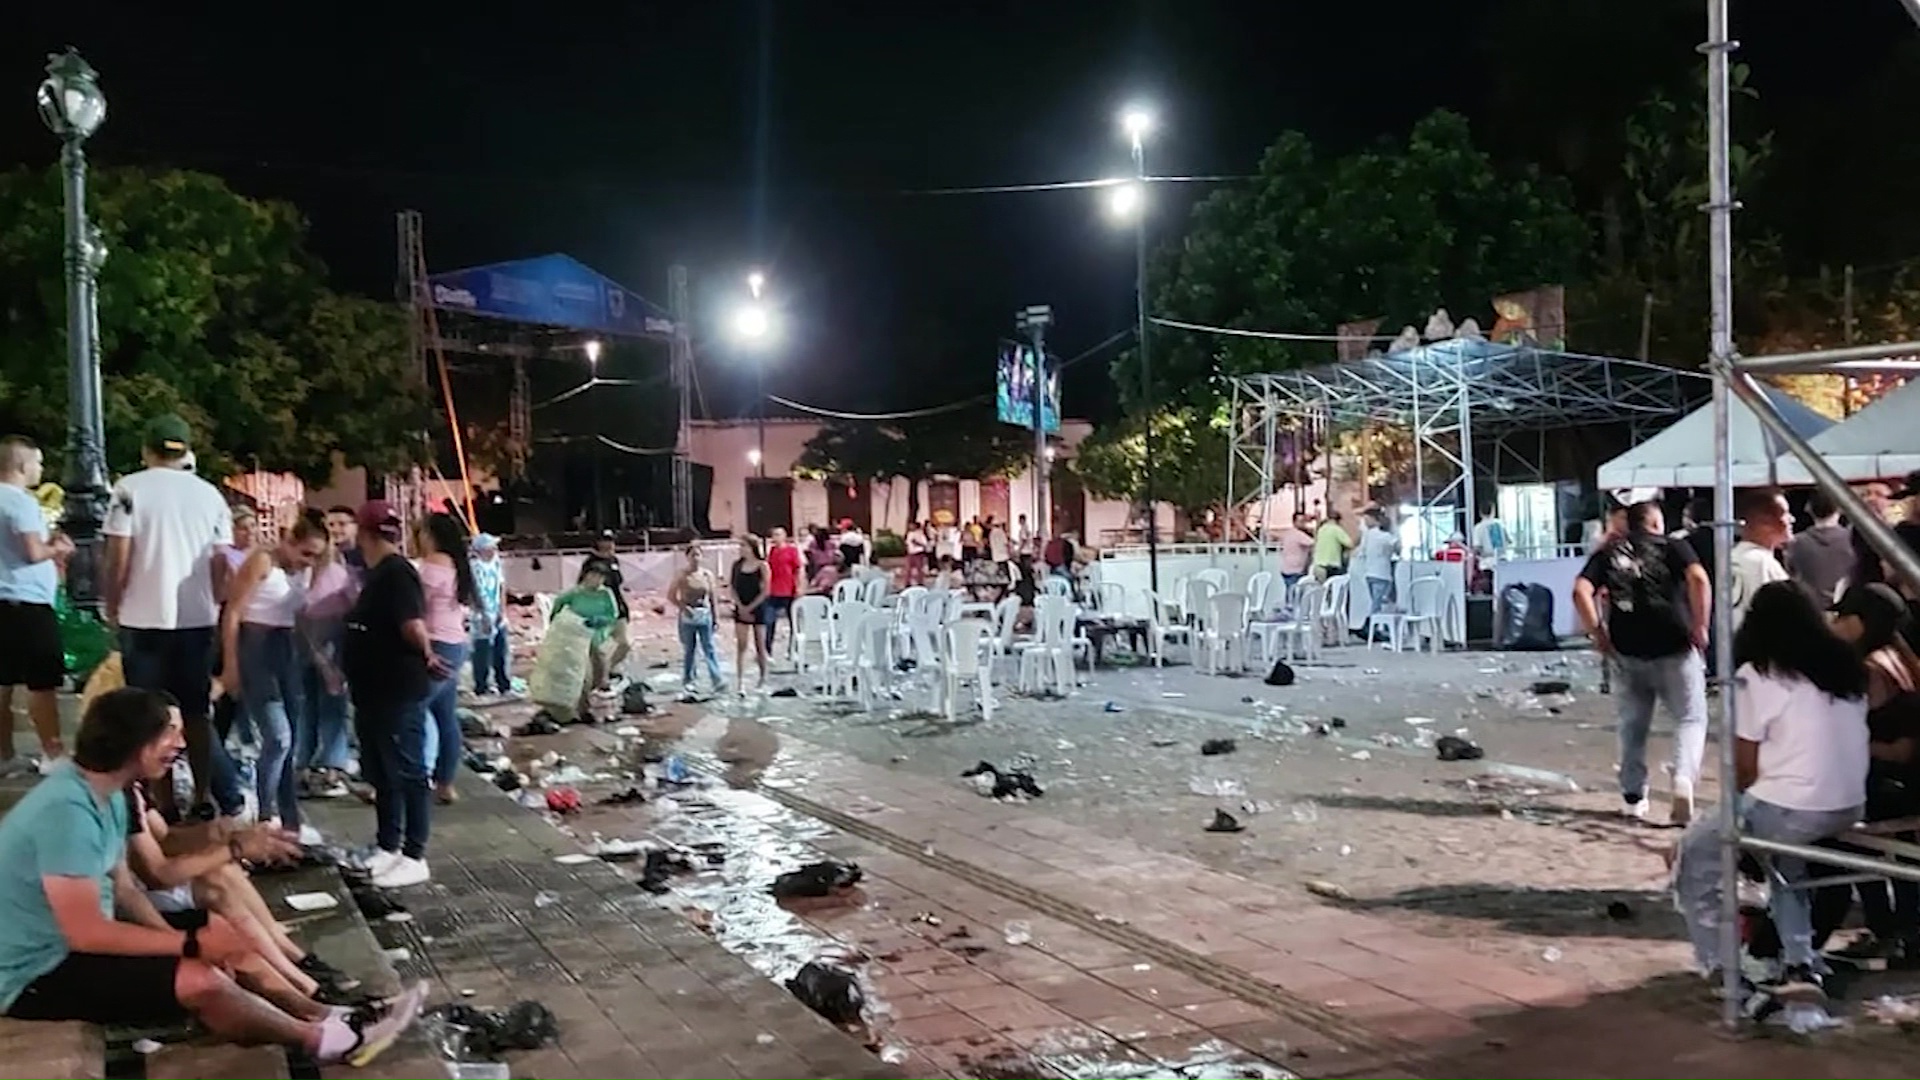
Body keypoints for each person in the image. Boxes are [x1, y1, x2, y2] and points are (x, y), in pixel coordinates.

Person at [0, 686, 427, 1063]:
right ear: (138, 744)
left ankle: (330, 1015)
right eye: (170, 735)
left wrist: (180, 944)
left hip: (75, 947)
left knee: (223, 933)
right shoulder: (68, 815)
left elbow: (126, 888)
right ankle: (324, 1041)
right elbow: (86, 933)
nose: (180, 745)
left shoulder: (108, 795)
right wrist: (188, 946)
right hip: (31, 973)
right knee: (200, 979)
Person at [1673, 582, 1868, 1004]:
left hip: (1793, 807)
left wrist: (1739, 814)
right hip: (1849, 804)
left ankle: (1723, 968)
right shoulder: (1844, 667)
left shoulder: (1756, 675)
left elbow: (1743, 768)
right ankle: (1800, 961)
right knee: (1785, 862)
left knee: (1697, 853)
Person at [102, 414, 241, 821]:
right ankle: (201, 795)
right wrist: (214, 601)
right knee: (196, 712)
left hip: (143, 617)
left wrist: (113, 602)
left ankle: (161, 800)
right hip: (196, 618)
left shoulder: (128, 489)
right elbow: (221, 561)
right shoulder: (211, 495)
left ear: (148, 449)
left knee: (148, 713)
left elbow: (119, 557)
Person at [1573, 500, 1712, 825]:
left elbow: (1581, 590)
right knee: (1690, 718)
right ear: (1655, 522)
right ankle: (1682, 781)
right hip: (1675, 646)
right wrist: (1700, 625)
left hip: (1627, 650)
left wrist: (1597, 632)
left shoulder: (1609, 553)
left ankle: (1634, 798)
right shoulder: (1675, 547)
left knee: (1632, 726)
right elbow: (1699, 580)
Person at [342, 501, 448, 891]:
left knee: (408, 770)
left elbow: (411, 623)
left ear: (363, 534)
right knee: (383, 772)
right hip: (373, 689)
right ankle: (389, 845)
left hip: (397, 688)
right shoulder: (378, 574)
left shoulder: (396, 573)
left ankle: (414, 854)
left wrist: (427, 653)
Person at [1818, 583, 1920, 965]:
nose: (1834, 624)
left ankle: (1886, 928)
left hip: (1888, 787)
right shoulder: (1898, 658)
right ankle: (1903, 930)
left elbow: (1895, 747)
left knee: (1843, 836)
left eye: (1841, 617)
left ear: (1860, 623)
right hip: (1902, 785)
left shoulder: (1869, 670)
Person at [219, 514, 327, 834]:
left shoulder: (301, 572)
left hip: (285, 649)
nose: (309, 562)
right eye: (305, 553)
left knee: (290, 742)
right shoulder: (262, 562)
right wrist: (231, 664)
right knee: (277, 738)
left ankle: (290, 819)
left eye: (316, 556)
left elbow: (298, 619)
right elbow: (233, 612)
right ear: (288, 541)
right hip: (255, 647)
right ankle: (266, 814)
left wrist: (320, 659)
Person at [0, 436, 74, 777]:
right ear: (21, 466)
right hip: (26, 601)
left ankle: (4, 753)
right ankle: (53, 752)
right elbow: (32, 551)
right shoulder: (21, 503)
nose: (41, 469)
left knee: (3, 682)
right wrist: (57, 548)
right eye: (38, 463)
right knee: (42, 681)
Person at [415, 514, 475, 807]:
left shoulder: (432, 565)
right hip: (456, 643)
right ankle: (445, 783)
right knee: (445, 716)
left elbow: (415, 604)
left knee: (410, 711)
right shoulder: (457, 564)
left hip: (434, 642)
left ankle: (413, 778)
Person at [294, 511, 354, 800]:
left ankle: (332, 766)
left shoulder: (339, 572)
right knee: (306, 708)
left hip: (332, 647)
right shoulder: (299, 571)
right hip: (301, 647)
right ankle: (303, 764)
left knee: (332, 708)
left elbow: (352, 608)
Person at [549, 563, 620, 721]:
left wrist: (600, 621)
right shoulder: (575, 593)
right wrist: (559, 622)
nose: (597, 580)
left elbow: (613, 615)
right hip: (576, 637)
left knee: (598, 670)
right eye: (594, 575)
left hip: (597, 635)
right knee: (580, 675)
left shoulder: (605, 594)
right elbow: (558, 605)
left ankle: (588, 701)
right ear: (586, 575)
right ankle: (581, 708)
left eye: (600, 577)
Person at [1729, 486, 1792, 632]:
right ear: (1764, 523)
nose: (1791, 519)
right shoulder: (1762, 563)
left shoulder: (1732, 556)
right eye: (1785, 513)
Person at [668, 544, 723, 702]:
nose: (696, 558)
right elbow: (671, 595)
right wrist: (683, 607)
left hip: (704, 614)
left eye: (698, 555)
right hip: (688, 615)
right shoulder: (682, 575)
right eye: (692, 555)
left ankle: (716, 679)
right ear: (687, 557)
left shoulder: (707, 575)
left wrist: (716, 617)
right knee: (689, 650)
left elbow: (713, 597)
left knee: (709, 648)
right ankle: (689, 680)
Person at [581, 534, 631, 689]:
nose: (611, 545)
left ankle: (608, 670)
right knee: (599, 649)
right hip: (600, 611)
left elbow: (618, 584)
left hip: (617, 608)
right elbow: (583, 586)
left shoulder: (613, 560)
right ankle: (598, 680)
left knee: (624, 644)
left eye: (612, 541)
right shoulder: (591, 563)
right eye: (607, 541)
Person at [1787, 490, 1853, 604]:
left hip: (1811, 609)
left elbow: (1791, 575)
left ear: (1808, 508)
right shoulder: (1853, 540)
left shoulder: (1795, 542)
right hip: (1847, 609)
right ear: (1840, 508)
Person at [468, 533, 512, 697]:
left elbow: (501, 587)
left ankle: (503, 684)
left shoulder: (496, 563)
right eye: (492, 547)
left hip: (496, 612)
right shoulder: (474, 567)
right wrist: (484, 614)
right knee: (482, 652)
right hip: (481, 615)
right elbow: (475, 592)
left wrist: (502, 610)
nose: (495, 550)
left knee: (501, 650)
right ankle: (481, 686)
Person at [729, 535, 771, 694]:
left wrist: (751, 607)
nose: (741, 549)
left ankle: (762, 678)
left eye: (744, 546)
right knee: (741, 645)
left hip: (758, 606)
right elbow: (732, 588)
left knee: (760, 645)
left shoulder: (762, 565)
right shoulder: (737, 565)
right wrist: (740, 606)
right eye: (740, 546)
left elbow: (766, 590)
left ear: (752, 547)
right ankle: (740, 681)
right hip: (741, 606)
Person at [763, 527, 802, 660]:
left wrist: (798, 587)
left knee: (794, 622)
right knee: (769, 621)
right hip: (773, 590)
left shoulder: (792, 550)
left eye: (778, 534)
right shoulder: (772, 551)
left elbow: (798, 569)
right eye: (774, 534)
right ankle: (767, 651)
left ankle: (793, 650)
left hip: (788, 590)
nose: (775, 537)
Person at [1355, 509, 1398, 616]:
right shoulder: (1387, 537)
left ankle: (1372, 625)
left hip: (1369, 573)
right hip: (1383, 573)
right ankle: (1374, 624)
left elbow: (1361, 552)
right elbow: (1398, 548)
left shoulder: (1367, 535)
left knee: (1375, 601)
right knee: (1380, 603)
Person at [1275, 513, 1315, 599]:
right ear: (1294, 522)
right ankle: (1293, 610)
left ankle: (1289, 609)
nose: (1303, 524)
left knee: (1290, 592)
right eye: (1301, 521)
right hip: (1295, 569)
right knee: (1295, 595)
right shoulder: (1299, 534)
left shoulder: (1288, 533)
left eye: (1303, 521)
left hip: (1286, 568)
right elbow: (1313, 543)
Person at [1310, 512, 1353, 582]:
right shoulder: (1336, 529)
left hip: (1318, 565)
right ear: (1338, 520)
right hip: (1332, 565)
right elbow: (1350, 544)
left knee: (1322, 589)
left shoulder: (1321, 529)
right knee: (1333, 589)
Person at [904, 520, 929, 586]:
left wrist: (917, 543)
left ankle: (920, 582)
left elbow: (925, 544)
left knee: (919, 569)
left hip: (918, 553)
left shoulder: (920, 534)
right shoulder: (910, 534)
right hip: (911, 553)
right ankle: (907, 583)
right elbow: (907, 543)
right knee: (908, 569)